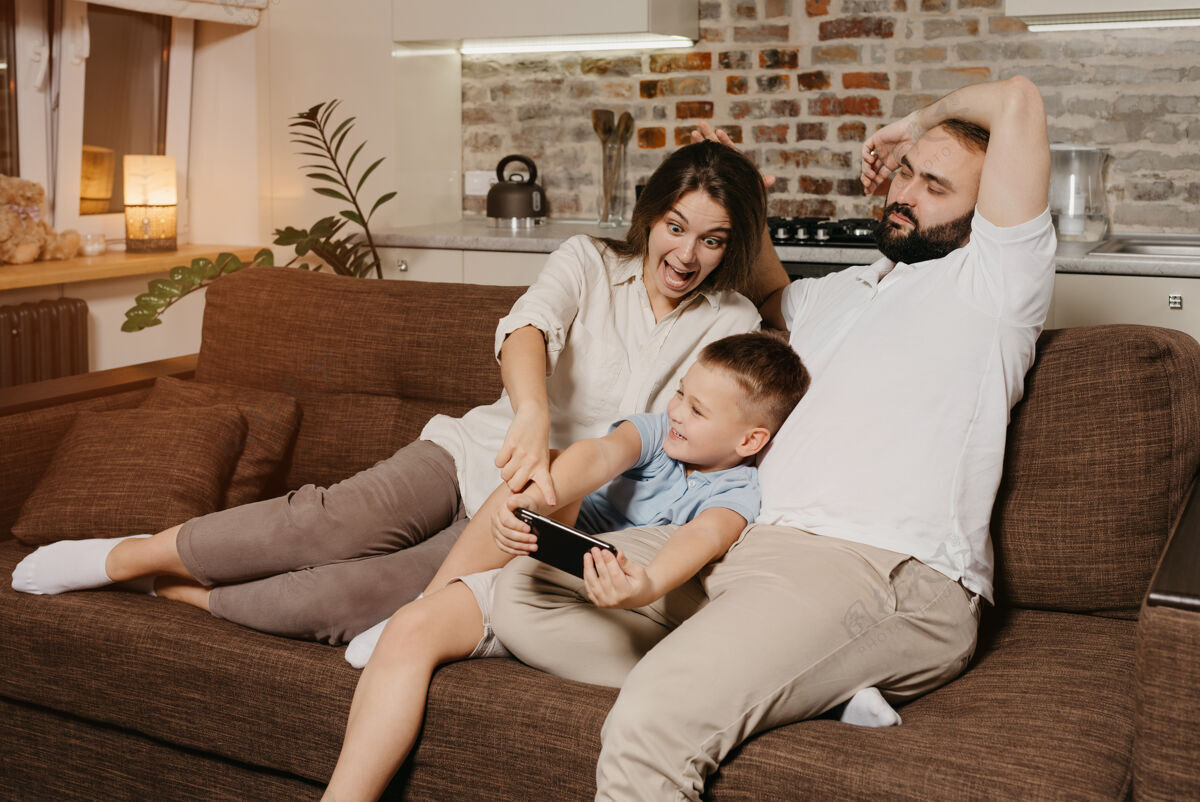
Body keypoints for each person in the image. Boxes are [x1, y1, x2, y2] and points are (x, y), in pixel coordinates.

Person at [491, 75, 1056, 800]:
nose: (906, 192)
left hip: (877, 567)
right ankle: (796, 687)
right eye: (906, 172)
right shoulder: (841, 293)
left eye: (936, 186)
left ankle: (735, 684)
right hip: (750, 543)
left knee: (657, 716)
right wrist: (742, 193)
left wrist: (913, 120)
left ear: (986, 220)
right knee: (529, 587)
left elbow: (1018, 102)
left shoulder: (995, 288)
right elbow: (763, 289)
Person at [10, 140, 772, 648]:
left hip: (545, 505)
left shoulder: (730, 317)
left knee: (356, 599)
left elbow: (719, 407)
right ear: (652, 216)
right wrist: (533, 415)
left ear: (732, 244)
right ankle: (121, 555)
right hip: (482, 447)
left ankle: (176, 594)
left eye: (712, 239)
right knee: (323, 524)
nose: (686, 254)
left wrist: (562, 476)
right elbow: (527, 330)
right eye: (677, 227)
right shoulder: (584, 258)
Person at [321, 331, 809, 802]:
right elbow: (598, 455)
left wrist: (646, 584)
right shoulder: (658, 433)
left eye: (697, 410)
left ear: (750, 440)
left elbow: (705, 536)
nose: (677, 410)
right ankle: (434, 599)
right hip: (551, 563)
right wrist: (531, 502)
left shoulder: (738, 492)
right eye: (681, 392)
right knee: (414, 623)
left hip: (613, 607)